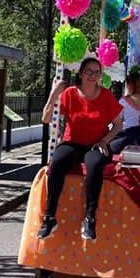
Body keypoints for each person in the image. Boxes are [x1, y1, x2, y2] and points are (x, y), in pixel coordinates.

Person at [38, 57, 124, 241]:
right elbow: (46, 119)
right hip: (72, 143)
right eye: (89, 71)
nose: (92, 76)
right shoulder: (69, 94)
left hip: (94, 145)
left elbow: (118, 125)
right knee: (57, 163)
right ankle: (49, 217)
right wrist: (54, 93)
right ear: (81, 73)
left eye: (96, 72)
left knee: (94, 165)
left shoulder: (106, 96)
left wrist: (104, 141)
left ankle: (90, 218)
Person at [108, 70, 140, 154]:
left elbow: (117, 121)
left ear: (128, 85)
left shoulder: (124, 100)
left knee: (110, 145)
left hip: (130, 134)